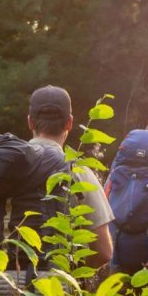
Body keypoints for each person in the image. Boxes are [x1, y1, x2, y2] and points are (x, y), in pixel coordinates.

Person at [25, 85, 114, 268]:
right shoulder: (78, 172)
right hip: (53, 285)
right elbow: (104, 252)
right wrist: (72, 275)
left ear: (30, 123)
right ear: (70, 123)